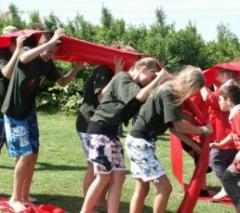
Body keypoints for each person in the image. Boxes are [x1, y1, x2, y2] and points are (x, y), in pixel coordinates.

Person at [2, 28, 85, 212]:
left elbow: (62, 82)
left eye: (53, 52)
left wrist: (75, 70)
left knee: (32, 154)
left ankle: (24, 196)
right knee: (24, 154)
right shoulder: (26, 51)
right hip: (14, 112)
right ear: (40, 44)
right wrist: (50, 42)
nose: (49, 54)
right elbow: (22, 59)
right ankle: (14, 198)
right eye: (47, 50)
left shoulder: (48, 63)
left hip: (29, 112)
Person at [80, 57, 172, 213]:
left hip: (111, 132)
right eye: (151, 76)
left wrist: (162, 82)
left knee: (119, 176)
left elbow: (147, 97)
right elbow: (140, 96)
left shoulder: (135, 85)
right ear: (143, 68)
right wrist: (160, 79)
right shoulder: (123, 77)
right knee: (103, 177)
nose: (150, 81)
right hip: (100, 130)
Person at [125, 65, 213, 213]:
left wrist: (194, 145)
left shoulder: (171, 89)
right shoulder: (169, 92)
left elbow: (172, 126)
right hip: (140, 144)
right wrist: (203, 130)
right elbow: (179, 126)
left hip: (139, 141)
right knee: (165, 189)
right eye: (193, 92)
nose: (191, 96)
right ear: (189, 85)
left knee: (142, 188)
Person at [200, 69, 238, 199]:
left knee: (216, 159)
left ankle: (228, 189)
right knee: (226, 164)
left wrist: (202, 85)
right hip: (227, 135)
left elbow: (212, 100)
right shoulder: (230, 87)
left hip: (226, 133)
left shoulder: (229, 89)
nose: (216, 76)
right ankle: (227, 189)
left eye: (219, 73)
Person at [210, 84, 240, 212]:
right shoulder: (235, 113)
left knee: (228, 179)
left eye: (220, 99)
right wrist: (220, 144)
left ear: (228, 101)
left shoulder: (237, 115)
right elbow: (234, 134)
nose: (218, 102)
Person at [0, 26, 22, 151]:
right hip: (2, 98)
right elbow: (7, 73)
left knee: (13, 132)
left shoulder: (21, 50)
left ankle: (20, 155)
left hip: (14, 99)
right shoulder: (2, 51)